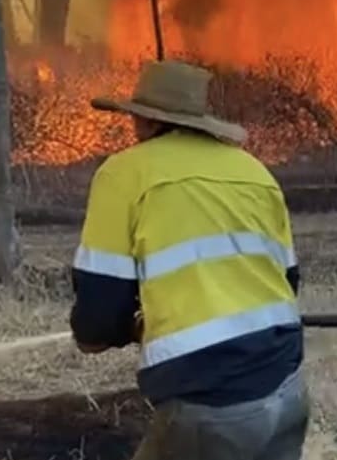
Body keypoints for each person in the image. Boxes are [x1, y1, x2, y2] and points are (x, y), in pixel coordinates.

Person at [68, 59, 309, 460]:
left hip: (211, 403)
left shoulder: (125, 174)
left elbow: (100, 312)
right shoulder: (254, 172)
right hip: (288, 392)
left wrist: (108, 331)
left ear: (145, 122)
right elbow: (285, 280)